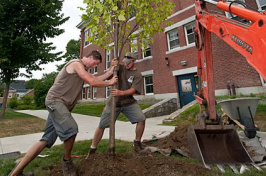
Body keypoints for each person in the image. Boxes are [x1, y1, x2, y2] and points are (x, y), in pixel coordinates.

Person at [9, 50, 118, 176]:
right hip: (55, 102)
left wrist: (110, 71)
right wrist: (109, 83)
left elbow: (95, 78)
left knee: (45, 140)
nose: (94, 66)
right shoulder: (76, 63)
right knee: (71, 129)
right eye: (95, 63)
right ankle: (67, 161)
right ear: (90, 57)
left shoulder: (82, 70)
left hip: (60, 105)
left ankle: (15, 173)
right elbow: (92, 82)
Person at [88, 52, 146, 156]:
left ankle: (137, 143)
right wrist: (112, 65)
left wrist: (122, 92)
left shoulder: (137, 75)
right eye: (125, 62)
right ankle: (92, 149)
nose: (126, 64)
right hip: (113, 102)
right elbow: (109, 75)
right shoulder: (120, 68)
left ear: (134, 61)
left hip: (128, 102)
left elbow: (133, 90)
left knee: (141, 119)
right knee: (101, 125)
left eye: (129, 63)